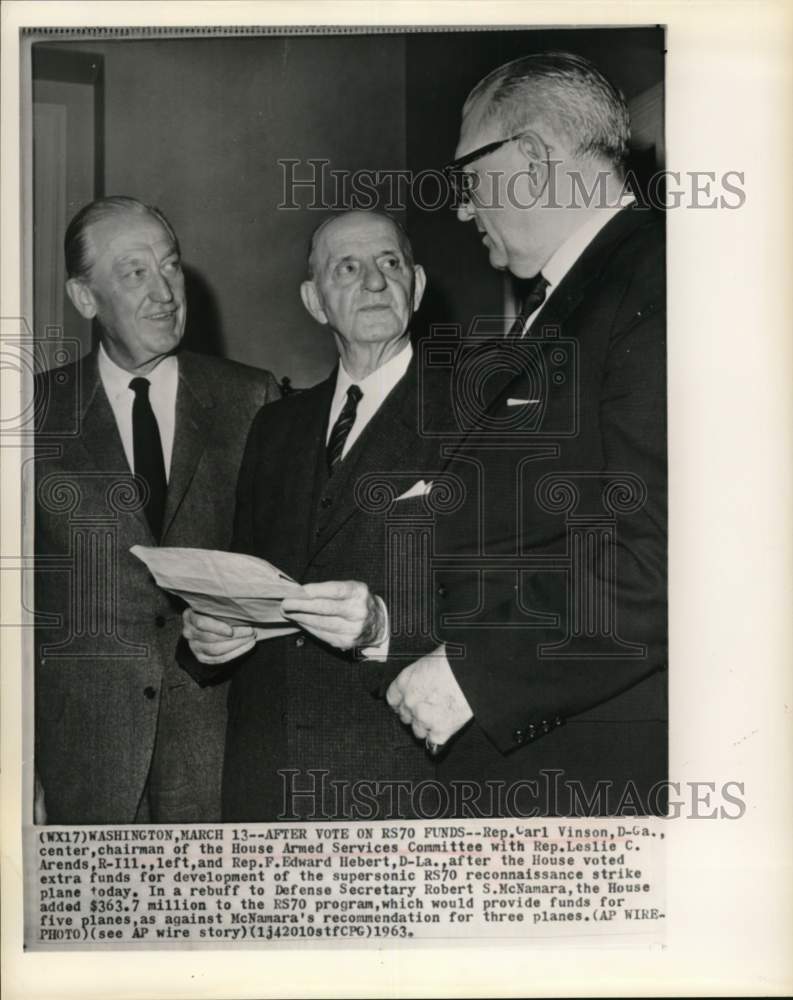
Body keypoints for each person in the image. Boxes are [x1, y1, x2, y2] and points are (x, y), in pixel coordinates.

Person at [385, 52, 668, 815]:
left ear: (535, 158)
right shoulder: (579, 291)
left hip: (592, 775)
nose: (461, 209)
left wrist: (474, 672)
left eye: (468, 175)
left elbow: (664, 555)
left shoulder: (656, 277)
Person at [180, 210, 446, 821]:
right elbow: (243, 576)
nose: (374, 281)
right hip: (267, 778)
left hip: (398, 779)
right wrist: (208, 633)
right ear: (314, 301)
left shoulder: (476, 412)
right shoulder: (275, 425)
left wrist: (385, 627)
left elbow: (512, 603)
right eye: (347, 268)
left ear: (417, 286)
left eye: (390, 263)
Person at [34, 196, 279, 823]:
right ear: (84, 297)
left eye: (170, 266)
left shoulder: (252, 399)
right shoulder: (32, 415)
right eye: (135, 272)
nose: (164, 292)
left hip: (218, 755)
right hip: (80, 763)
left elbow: (285, 565)